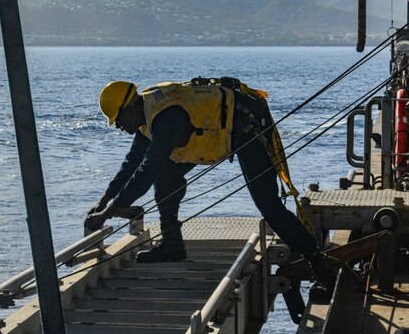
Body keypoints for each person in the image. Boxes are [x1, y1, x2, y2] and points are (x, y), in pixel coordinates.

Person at [85, 78, 337, 291]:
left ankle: (318, 264)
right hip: (209, 138)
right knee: (165, 177)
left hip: (246, 129)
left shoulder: (165, 117)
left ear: (129, 108)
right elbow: (131, 164)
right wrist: (104, 201)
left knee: (269, 207)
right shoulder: (145, 121)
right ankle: (172, 246)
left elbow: (145, 171)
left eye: (119, 120)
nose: (119, 127)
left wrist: (108, 214)